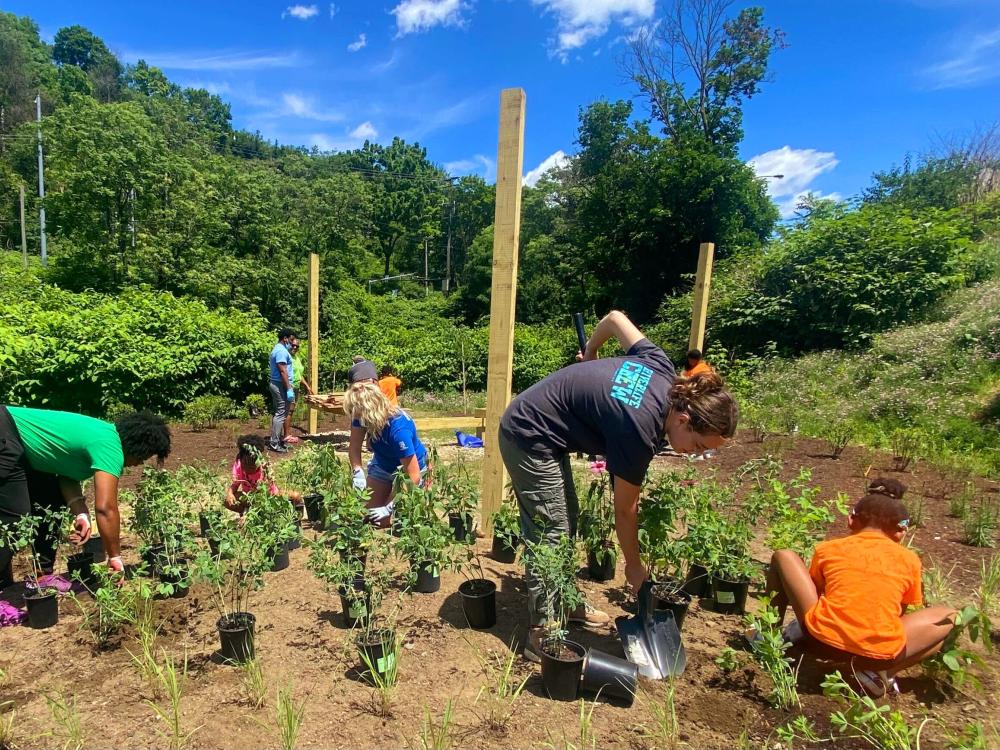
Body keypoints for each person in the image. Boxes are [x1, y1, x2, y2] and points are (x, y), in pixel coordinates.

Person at [498, 310, 738, 662]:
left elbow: (614, 319)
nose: (692, 456)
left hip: (547, 432)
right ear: (684, 419)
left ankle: (564, 600)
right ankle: (543, 628)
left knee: (568, 518)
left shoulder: (661, 369)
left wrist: (592, 351)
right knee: (551, 528)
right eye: (698, 446)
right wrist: (634, 567)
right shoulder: (639, 429)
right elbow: (625, 510)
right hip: (527, 433)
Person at [763, 478, 957, 697]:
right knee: (949, 616)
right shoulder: (910, 560)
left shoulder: (829, 549)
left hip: (820, 641)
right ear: (900, 532)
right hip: (876, 656)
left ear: (850, 520)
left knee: (784, 556)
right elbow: (900, 612)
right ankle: (879, 674)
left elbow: (815, 593)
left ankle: (768, 633)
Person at [1, 406, 171, 586]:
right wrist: (115, 557)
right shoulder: (110, 446)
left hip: (20, 447)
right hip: (5, 433)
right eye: (144, 457)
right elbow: (106, 508)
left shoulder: (103, 434)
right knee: (13, 518)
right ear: (139, 449)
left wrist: (81, 513)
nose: (140, 463)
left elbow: (66, 477)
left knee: (50, 499)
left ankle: (41, 575)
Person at [345, 360, 429, 527]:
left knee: (399, 522)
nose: (357, 418)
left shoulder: (398, 428)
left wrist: (389, 507)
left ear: (371, 411)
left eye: (359, 414)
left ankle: (409, 502)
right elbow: (354, 447)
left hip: (409, 472)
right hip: (383, 466)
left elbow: (414, 476)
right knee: (372, 520)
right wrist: (358, 472)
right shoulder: (360, 414)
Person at [225, 434, 302, 515]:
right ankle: (245, 512)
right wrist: (230, 494)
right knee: (227, 501)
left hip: (270, 498)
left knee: (295, 496)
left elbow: (265, 494)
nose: (248, 469)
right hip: (249, 499)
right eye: (246, 466)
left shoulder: (264, 468)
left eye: (252, 466)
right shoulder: (239, 465)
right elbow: (235, 485)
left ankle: (285, 514)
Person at [268, 328, 296, 453]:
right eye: (291, 339)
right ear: (285, 338)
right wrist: (289, 388)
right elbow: (282, 370)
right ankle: (274, 443)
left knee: (280, 413)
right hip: (280, 385)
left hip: (280, 384)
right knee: (280, 413)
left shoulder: (281, 350)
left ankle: (277, 440)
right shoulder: (280, 351)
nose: (292, 342)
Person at [283, 337, 315, 446]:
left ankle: (286, 434)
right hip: (289, 386)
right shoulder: (286, 357)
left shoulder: (296, 358)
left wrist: (307, 387)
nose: (295, 347)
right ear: (288, 344)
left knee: (291, 410)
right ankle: (285, 435)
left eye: (297, 346)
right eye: (293, 345)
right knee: (288, 410)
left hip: (296, 386)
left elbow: (299, 375)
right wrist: (288, 387)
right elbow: (283, 373)